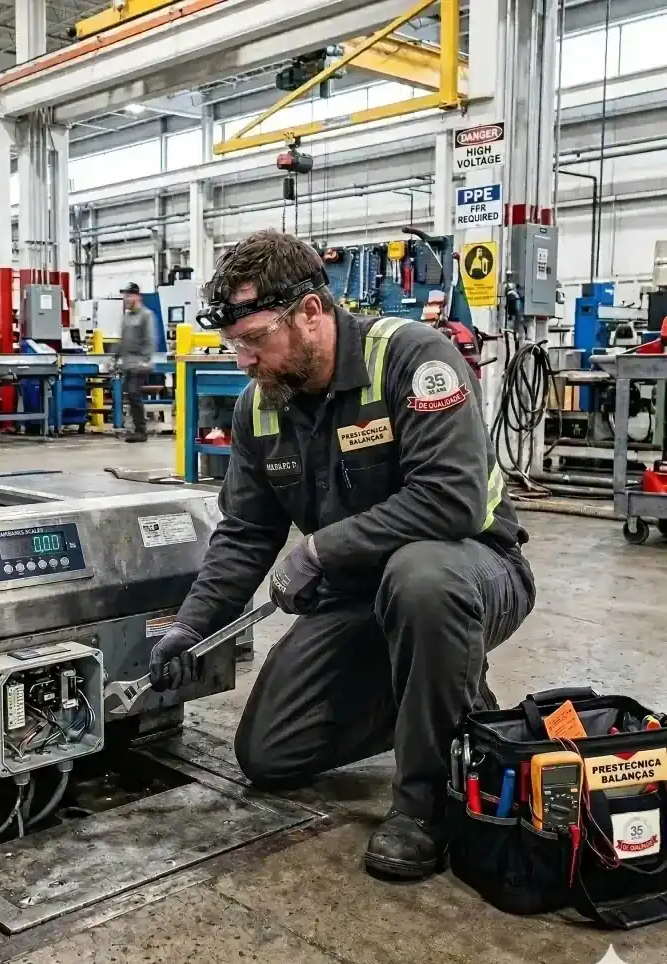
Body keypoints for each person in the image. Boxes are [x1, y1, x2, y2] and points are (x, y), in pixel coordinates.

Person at [148, 230, 535, 881]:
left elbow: (453, 502)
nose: (242, 360)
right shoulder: (260, 409)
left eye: (255, 339)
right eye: (232, 344)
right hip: (359, 596)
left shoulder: (413, 359)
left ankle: (426, 806)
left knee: (421, 580)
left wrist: (323, 549)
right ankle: (440, 696)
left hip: (472, 573)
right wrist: (194, 624)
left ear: (310, 313)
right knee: (268, 754)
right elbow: (246, 532)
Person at [116, 282, 155, 442]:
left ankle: (141, 431)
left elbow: (150, 340)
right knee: (131, 396)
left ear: (137, 296)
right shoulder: (126, 316)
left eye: (128, 295)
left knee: (133, 394)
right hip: (127, 363)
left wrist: (145, 360)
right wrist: (115, 358)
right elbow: (122, 340)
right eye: (124, 296)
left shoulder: (146, 315)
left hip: (139, 363)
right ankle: (135, 428)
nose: (126, 299)